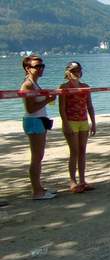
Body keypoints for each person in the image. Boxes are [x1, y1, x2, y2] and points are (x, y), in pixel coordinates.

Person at [20, 55, 57, 200]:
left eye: (42, 66)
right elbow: (30, 108)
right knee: (36, 157)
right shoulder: (28, 85)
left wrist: (46, 96)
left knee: (39, 156)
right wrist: (47, 100)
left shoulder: (35, 83)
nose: (40, 69)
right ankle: (36, 191)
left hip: (39, 120)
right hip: (33, 120)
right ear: (27, 68)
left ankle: (39, 187)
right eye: (37, 66)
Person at [58, 61, 96, 193]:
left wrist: (93, 122)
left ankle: (83, 180)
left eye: (79, 70)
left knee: (82, 151)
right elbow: (62, 109)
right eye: (74, 70)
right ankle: (72, 181)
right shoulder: (63, 87)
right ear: (68, 72)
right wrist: (66, 124)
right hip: (71, 122)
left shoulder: (85, 87)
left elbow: (89, 105)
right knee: (74, 152)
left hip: (83, 121)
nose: (77, 73)